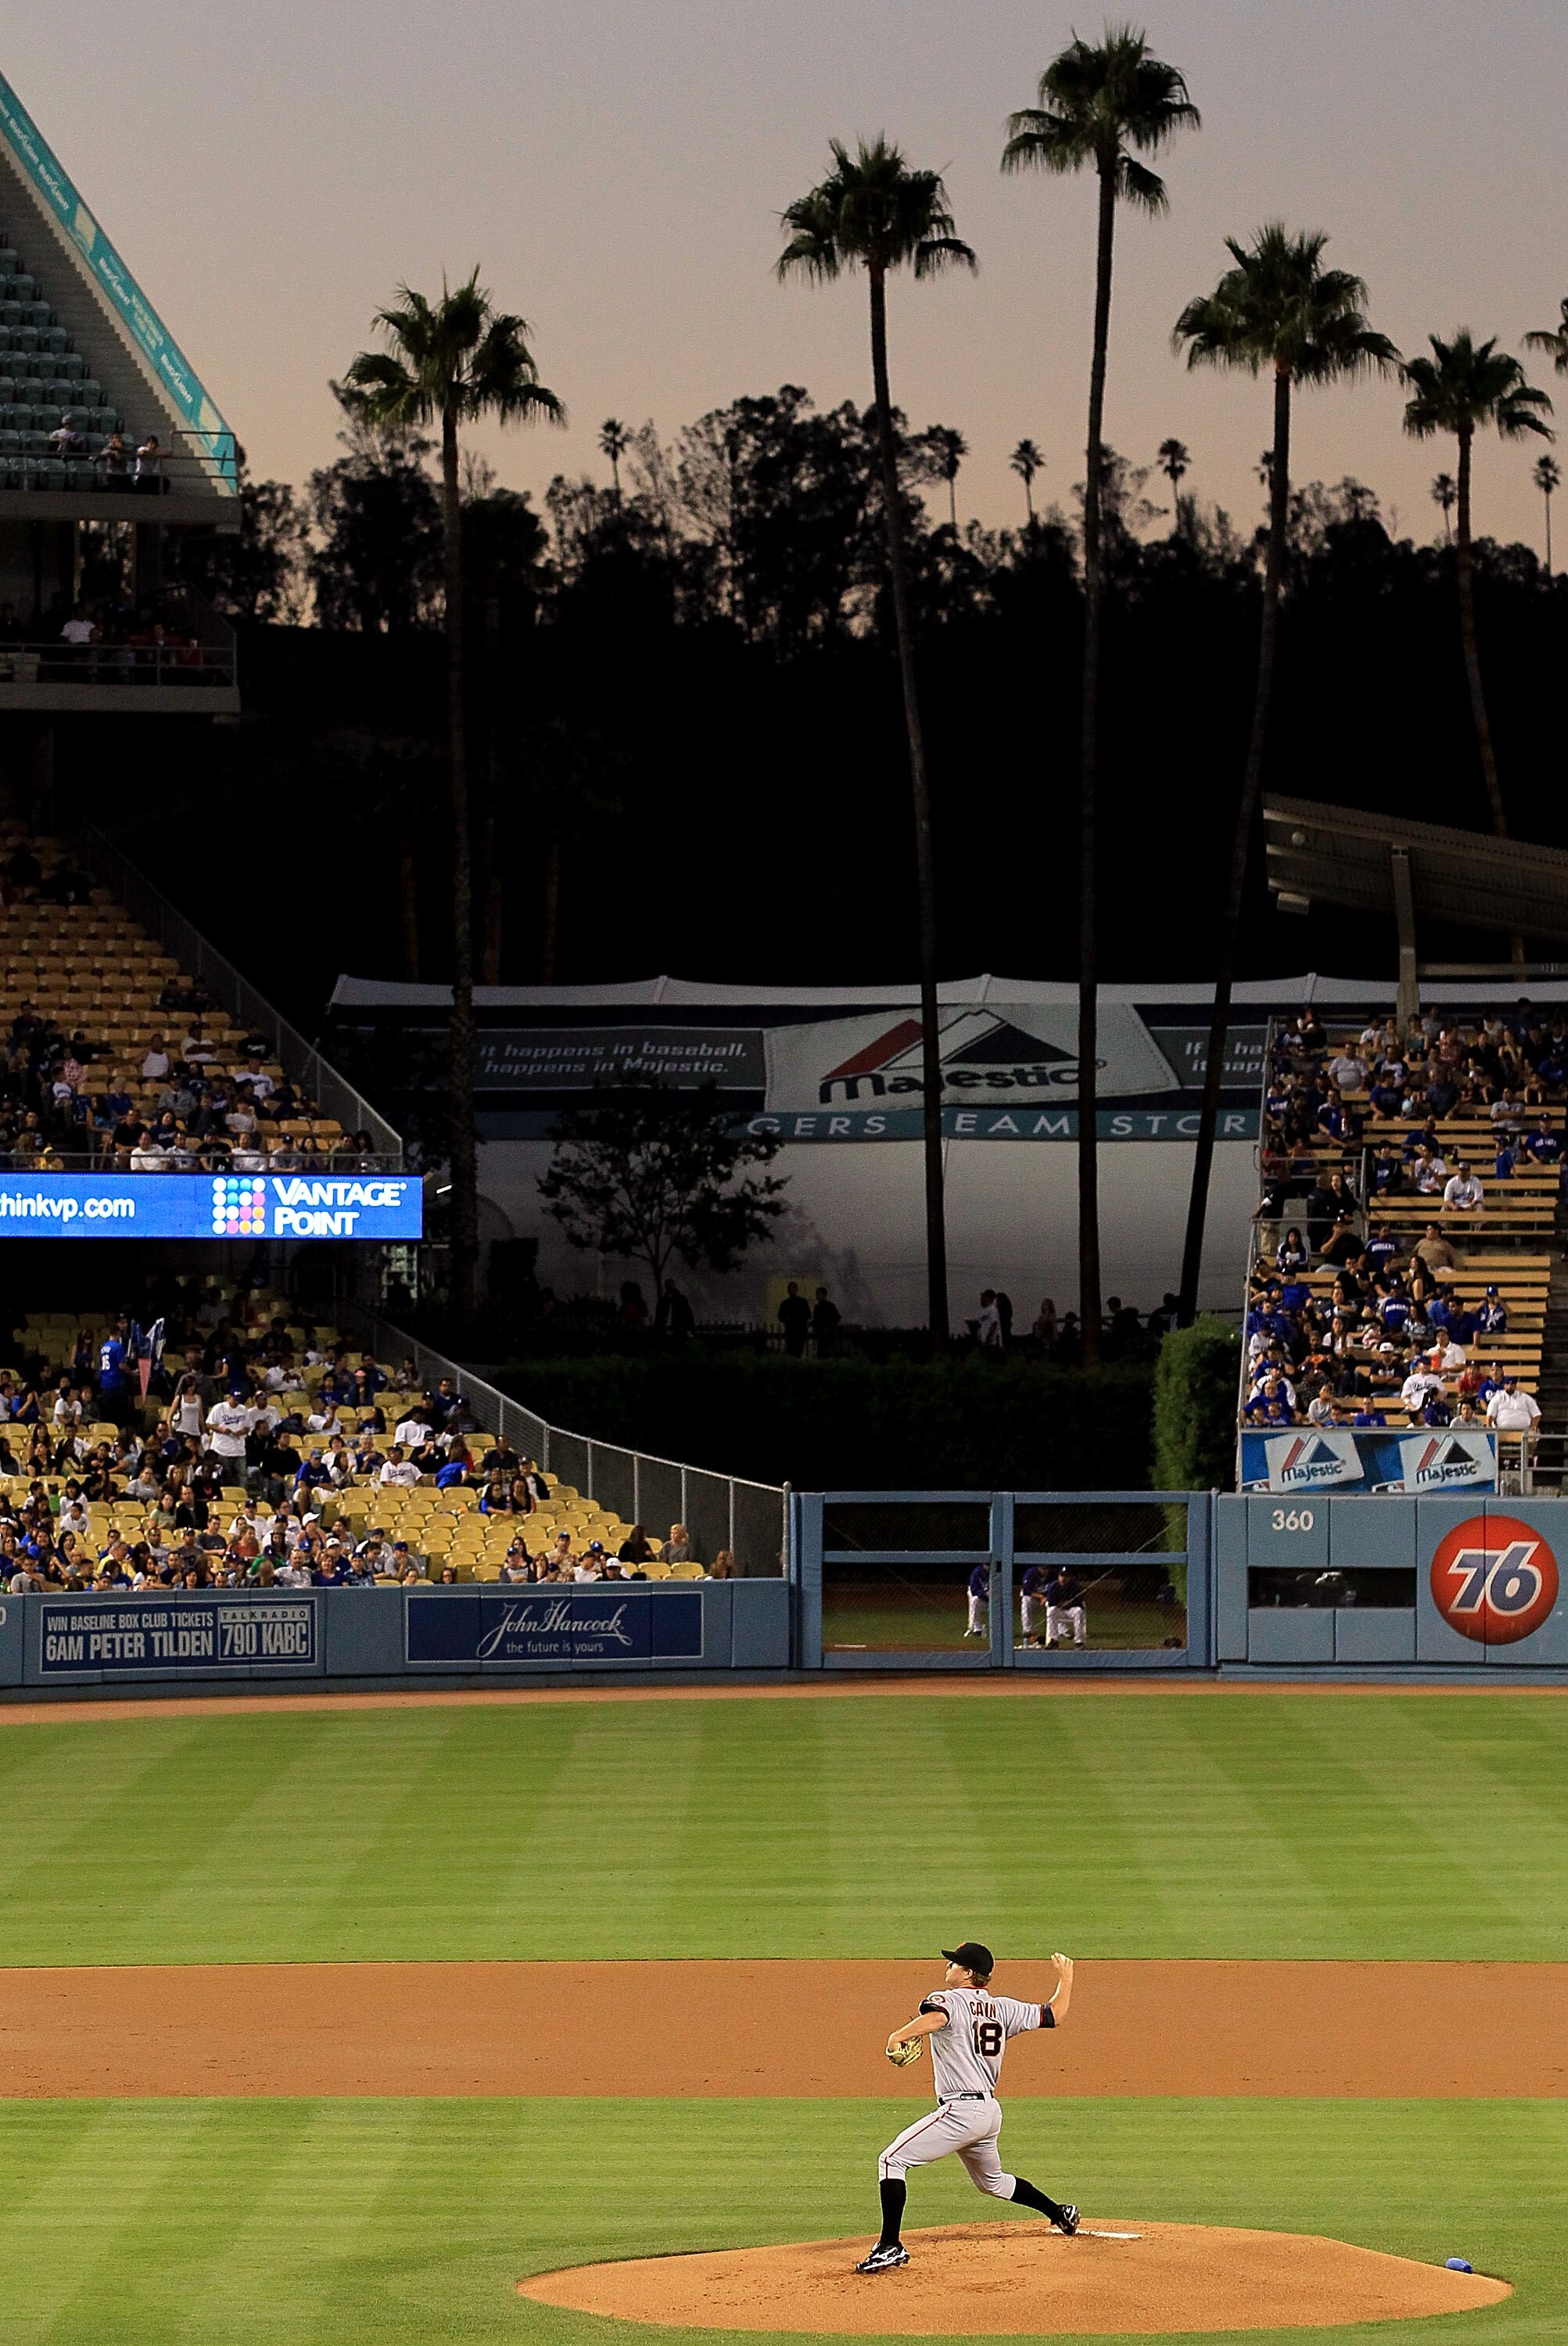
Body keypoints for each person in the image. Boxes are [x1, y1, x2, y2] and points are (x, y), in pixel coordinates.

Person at [856, 1942, 1076, 2273]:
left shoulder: (949, 2000)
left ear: (968, 1974)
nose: (948, 1968)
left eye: (954, 1964)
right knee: (993, 2183)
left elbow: (936, 2018)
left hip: (961, 2111)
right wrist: (1066, 1979)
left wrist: (896, 2035)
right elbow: (1054, 2015)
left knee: (891, 2160)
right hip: (988, 2113)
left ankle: (890, 2245)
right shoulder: (1004, 2009)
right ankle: (1059, 2213)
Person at [1044, 1569, 1086, 1650]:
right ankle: (1054, 1640)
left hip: (1071, 1610)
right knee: (1051, 1611)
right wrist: (1062, 1604)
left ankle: (1079, 1642)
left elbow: (1080, 1603)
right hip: (1060, 1610)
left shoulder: (1075, 1586)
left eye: (1066, 1576)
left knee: (1079, 1611)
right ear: (1058, 1577)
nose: (1063, 1578)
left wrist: (1070, 1603)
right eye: (1062, 1576)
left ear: (1070, 1577)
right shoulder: (1054, 1586)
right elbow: (1051, 1602)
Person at [777, 1282, 811, 1358]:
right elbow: (780, 1316)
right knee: (792, 1351)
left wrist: (796, 1320)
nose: (792, 1290)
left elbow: (808, 1315)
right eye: (791, 1288)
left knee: (798, 1351)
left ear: (796, 1289)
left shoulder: (802, 1302)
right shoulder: (786, 1303)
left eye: (793, 1288)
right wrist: (790, 1320)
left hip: (800, 1330)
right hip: (791, 1330)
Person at [812, 1285, 841, 1358]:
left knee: (827, 1352)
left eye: (819, 1294)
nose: (817, 1296)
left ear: (824, 1295)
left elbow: (836, 1318)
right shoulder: (818, 1307)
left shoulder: (829, 1306)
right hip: (821, 1334)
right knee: (822, 1352)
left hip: (828, 1334)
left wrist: (829, 1327)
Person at [963, 1560, 989, 1639]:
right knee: (974, 1601)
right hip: (982, 1598)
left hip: (994, 1600)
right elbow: (974, 1590)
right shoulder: (977, 1572)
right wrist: (984, 1593)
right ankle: (976, 1628)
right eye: (987, 1565)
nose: (988, 1567)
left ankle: (1001, 1630)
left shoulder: (996, 1572)